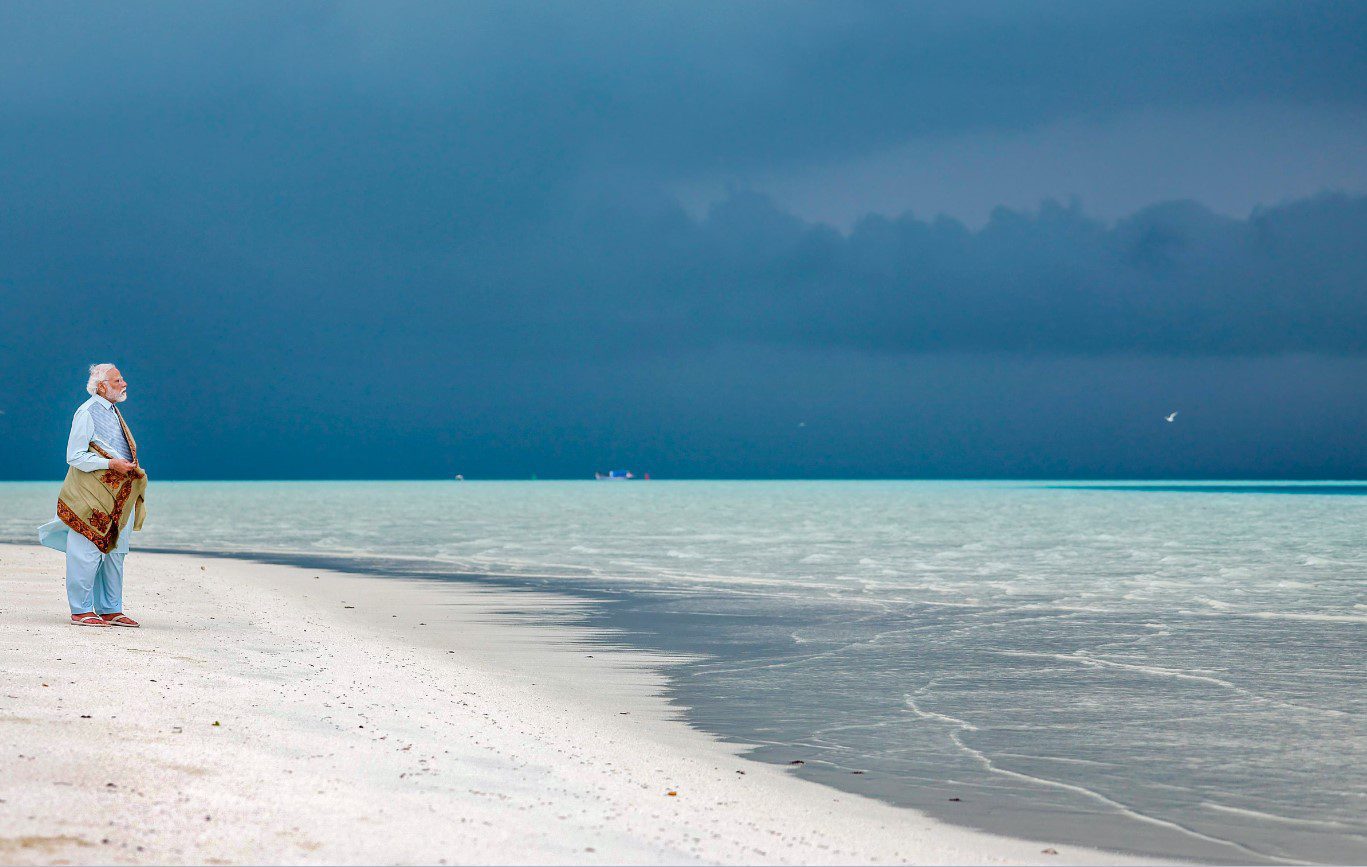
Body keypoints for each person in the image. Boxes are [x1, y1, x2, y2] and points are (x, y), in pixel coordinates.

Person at [37, 364, 148, 627]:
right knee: (86, 551)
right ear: (101, 386)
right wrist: (111, 465)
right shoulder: (86, 412)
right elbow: (73, 456)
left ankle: (110, 608)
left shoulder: (113, 411)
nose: (124, 384)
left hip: (117, 494)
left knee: (116, 551)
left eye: (122, 379)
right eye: (118, 380)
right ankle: (81, 610)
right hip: (90, 494)